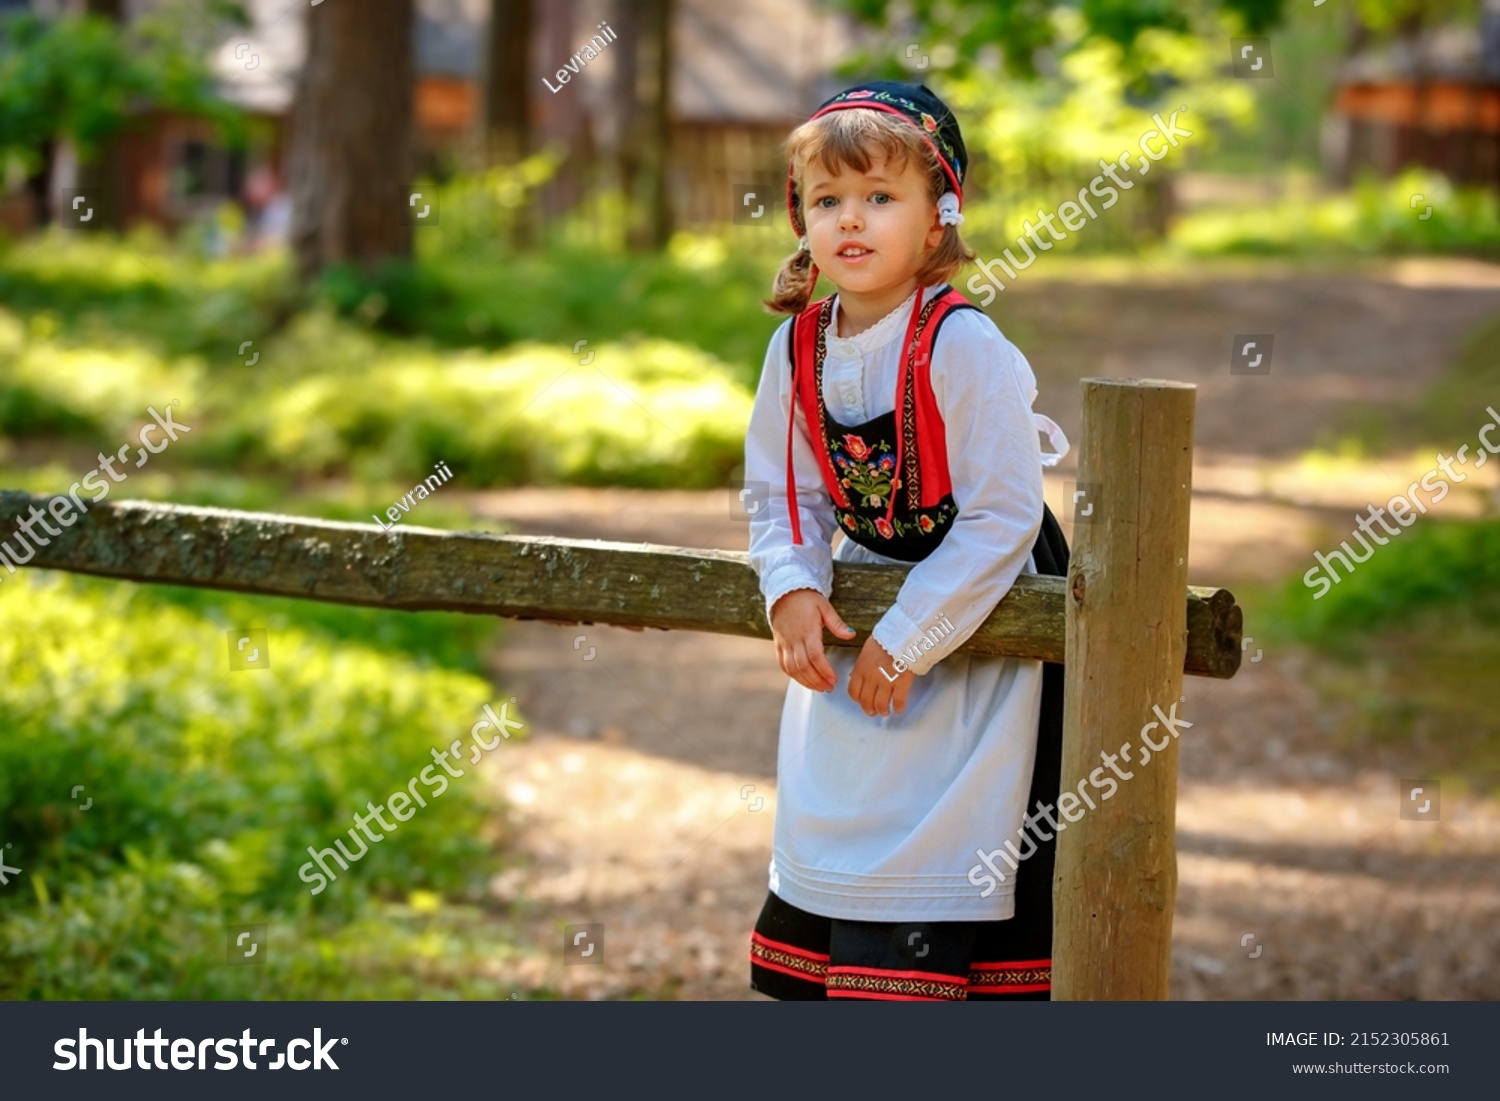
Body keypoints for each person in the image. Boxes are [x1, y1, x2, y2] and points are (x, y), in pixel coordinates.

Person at [743, 81, 1072, 1001]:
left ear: (939, 219)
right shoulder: (793, 349)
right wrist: (793, 585)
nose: (852, 221)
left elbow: (1005, 513)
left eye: (881, 198)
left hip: (978, 600)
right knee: (838, 809)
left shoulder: (963, 344)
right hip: (861, 590)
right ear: (801, 220)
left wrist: (914, 633)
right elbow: (786, 489)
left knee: (954, 831)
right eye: (827, 201)